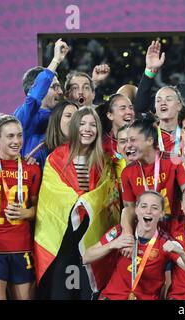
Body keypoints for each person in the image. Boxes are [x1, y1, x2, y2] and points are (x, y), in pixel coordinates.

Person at [34, 107, 120, 299]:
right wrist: (83, 199)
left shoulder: (103, 160)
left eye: (92, 125)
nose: (87, 129)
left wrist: (87, 201)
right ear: (74, 127)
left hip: (92, 237)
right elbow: (52, 196)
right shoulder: (56, 157)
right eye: (82, 124)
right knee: (62, 293)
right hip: (64, 238)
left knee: (87, 292)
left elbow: (107, 195)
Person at [83, 191, 185, 300]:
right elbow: (86, 257)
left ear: (161, 214)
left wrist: (181, 252)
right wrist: (112, 245)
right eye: (144, 206)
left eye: (154, 208)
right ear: (137, 210)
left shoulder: (165, 242)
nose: (148, 211)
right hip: (112, 297)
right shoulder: (119, 232)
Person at [120, 117, 185, 248]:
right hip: (146, 231)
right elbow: (129, 210)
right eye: (126, 141)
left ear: (149, 140)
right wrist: (127, 235)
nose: (128, 145)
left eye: (133, 140)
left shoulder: (174, 161)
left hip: (175, 229)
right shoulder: (127, 172)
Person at [0, 115, 41, 300]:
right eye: (10, 136)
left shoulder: (32, 169)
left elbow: (40, 209)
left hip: (21, 247)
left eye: (19, 135)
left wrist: (28, 212)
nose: (16, 141)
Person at [14, 39, 69, 158]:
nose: (60, 91)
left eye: (59, 86)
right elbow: (34, 97)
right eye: (54, 87)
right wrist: (56, 60)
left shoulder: (62, 116)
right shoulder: (23, 116)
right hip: (31, 175)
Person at [25, 100, 79, 172]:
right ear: (57, 120)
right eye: (68, 116)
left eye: (76, 117)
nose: (73, 120)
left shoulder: (84, 148)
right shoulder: (40, 148)